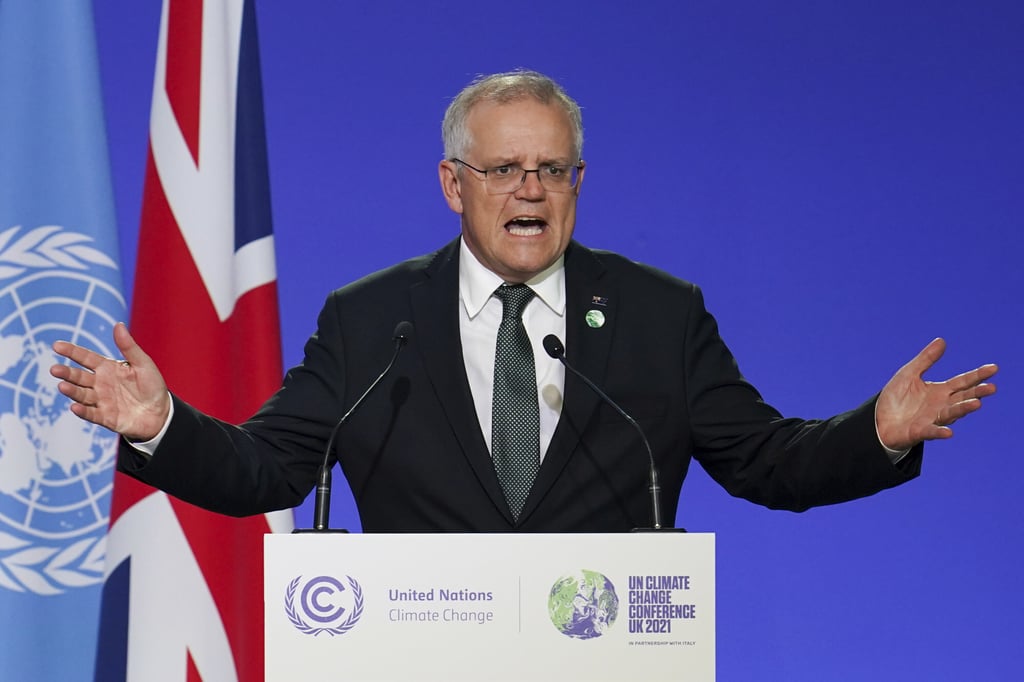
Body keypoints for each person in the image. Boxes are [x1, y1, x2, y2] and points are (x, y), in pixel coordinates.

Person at [50, 70, 997, 532]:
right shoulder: (375, 320)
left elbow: (767, 462)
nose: (530, 190)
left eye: (552, 169)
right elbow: (271, 470)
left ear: (579, 182)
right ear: (452, 184)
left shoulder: (660, 317)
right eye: (503, 169)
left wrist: (874, 431)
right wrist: (162, 424)